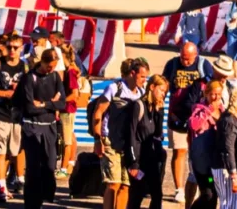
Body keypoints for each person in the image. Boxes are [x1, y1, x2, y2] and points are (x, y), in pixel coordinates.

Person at [163, 40, 215, 204]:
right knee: (179, 151)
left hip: (198, 118)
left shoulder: (204, 65)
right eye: (183, 58)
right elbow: (163, 85)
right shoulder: (171, 65)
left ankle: (203, 188)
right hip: (177, 115)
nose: (185, 62)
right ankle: (179, 188)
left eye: (188, 59)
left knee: (199, 156)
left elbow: (212, 85)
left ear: (196, 55)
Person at [96, 57, 150, 209]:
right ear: (132, 73)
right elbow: (98, 112)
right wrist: (97, 139)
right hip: (110, 141)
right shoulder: (114, 88)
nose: (144, 80)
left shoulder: (141, 92)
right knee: (113, 183)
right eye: (142, 77)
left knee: (126, 185)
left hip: (129, 143)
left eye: (146, 77)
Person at [17, 47, 66, 209]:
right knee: (33, 167)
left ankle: (46, 195)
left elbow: (62, 103)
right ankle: (32, 203)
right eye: (49, 66)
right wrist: (52, 104)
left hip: (50, 127)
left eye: (54, 66)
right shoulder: (30, 78)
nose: (51, 69)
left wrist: (45, 104)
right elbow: (30, 108)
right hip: (32, 127)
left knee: (50, 165)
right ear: (42, 62)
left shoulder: (55, 77)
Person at [0, 31, 29, 202]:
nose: (12, 50)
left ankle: (3, 181)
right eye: (9, 47)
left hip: (17, 117)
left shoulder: (24, 68)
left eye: (15, 48)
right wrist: (5, 93)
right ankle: (1, 186)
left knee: (12, 152)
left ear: (21, 49)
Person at [124, 75, 169, 209]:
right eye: (161, 90)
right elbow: (131, 135)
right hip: (138, 159)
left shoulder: (155, 108)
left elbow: (159, 135)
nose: (163, 94)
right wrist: (134, 163)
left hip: (152, 158)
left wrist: (160, 112)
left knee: (157, 194)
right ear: (152, 87)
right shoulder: (138, 106)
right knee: (137, 194)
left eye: (165, 92)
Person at [188, 78, 228, 209]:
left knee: (213, 195)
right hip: (202, 161)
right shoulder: (199, 109)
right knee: (207, 193)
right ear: (206, 94)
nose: (216, 97)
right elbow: (193, 125)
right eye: (213, 94)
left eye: (219, 94)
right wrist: (209, 109)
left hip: (216, 162)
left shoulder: (223, 111)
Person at [214, 86, 237, 209]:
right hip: (227, 170)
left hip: (232, 168)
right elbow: (228, 149)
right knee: (231, 205)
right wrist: (234, 175)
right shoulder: (229, 121)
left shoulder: (231, 119)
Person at [57, 43, 89, 180]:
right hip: (67, 109)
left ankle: (63, 168)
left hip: (67, 110)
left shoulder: (70, 72)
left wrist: (59, 104)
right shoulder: (70, 70)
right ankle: (69, 164)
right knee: (70, 136)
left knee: (66, 141)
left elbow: (74, 94)